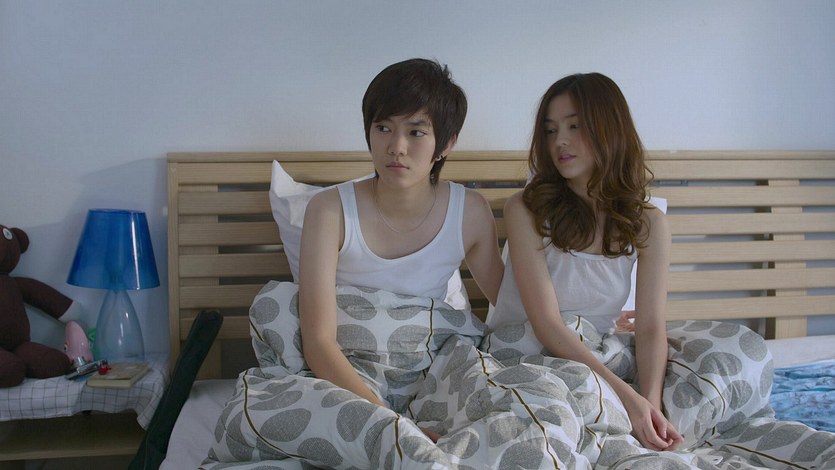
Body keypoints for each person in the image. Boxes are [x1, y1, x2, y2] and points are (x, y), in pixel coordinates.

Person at [298, 58, 504, 442]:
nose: (397, 147)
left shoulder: (470, 213)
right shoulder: (329, 210)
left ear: (446, 144)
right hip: (347, 374)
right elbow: (319, 341)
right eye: (383, 128)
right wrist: (396, 426)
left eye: (416, 132)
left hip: (436, 372)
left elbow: (511, 309)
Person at [487, 72, 683, 451]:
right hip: (529, 353)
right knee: (558, 415)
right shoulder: (525, 209)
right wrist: (627, 399)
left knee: (733, 353)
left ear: (610, 128)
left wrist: (650, 405)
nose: (559, 140)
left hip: (599, 355)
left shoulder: (649, 224)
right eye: (550, 130)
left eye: (574, 126)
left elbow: (650, 328)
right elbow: (546, 324)